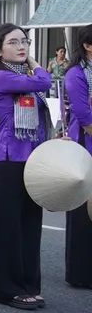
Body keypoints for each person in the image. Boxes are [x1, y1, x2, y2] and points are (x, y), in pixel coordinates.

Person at [0, 23, 50, 310]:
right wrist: (35, 64)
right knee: (6, 227)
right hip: (6, 159)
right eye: (13, 42)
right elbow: (45, 81)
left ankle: (28, 284)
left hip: (33, 159)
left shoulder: (25, 80)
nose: (22, 46)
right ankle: (6, 289)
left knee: (30, 225)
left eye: (25, 41)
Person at [61, 24, 92, 290]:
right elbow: (83, 115)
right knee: (83, 210)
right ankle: (81, 272)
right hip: (86, 145)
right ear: (87, 46)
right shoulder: (76, 74)